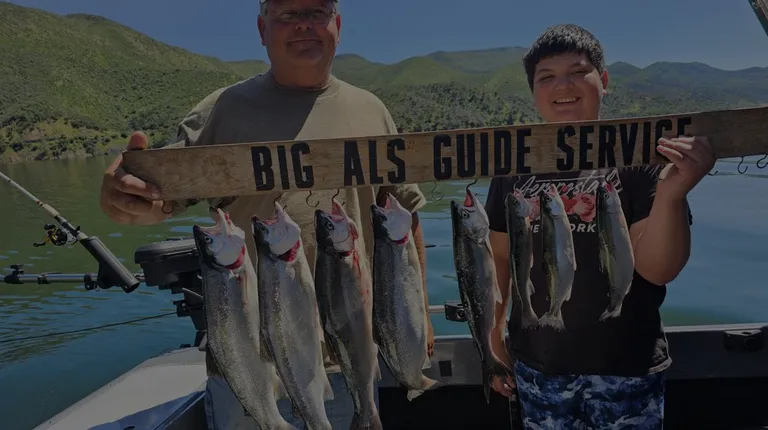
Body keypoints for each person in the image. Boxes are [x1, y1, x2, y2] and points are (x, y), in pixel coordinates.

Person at [98, 0, 435, 428]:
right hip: (251, 361)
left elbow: (405, 213)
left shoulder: (372, 110)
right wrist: (125, 201)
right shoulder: (223, 110)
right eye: (286, 14)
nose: (303, 25)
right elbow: (158, 199)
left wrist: (420, 312)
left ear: (337, 23)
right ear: (262, 29)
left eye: (316, 11)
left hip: (348, 356)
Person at [484, 24, 715, 429]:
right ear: (533, 90)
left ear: (603, 80)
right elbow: (499, 260)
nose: (563, 85)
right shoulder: (512, 169)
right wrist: (492, 336)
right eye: (546, 77)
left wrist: (672, 194)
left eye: (578, 71)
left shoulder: (642, 159)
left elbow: (658, 270)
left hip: (628, 368)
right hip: (538, 366)